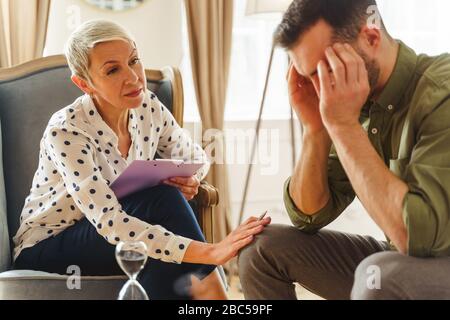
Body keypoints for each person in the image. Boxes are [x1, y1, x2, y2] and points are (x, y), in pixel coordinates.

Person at [12, 20, 271, 300]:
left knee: (163, 245)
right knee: (164, 202)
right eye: (113, 70)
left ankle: (210, 295)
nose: (134, 77)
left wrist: (190, 177)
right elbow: (109, 221)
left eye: (134, 61)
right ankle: (215, 295)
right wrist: (210, 252)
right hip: (50, 245)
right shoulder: (66, 130)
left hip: (116, 235)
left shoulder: (146, 104)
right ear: (84, 83)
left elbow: (194, 155)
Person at [239, 0, 450, 300]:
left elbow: (415, 239)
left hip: (436, 259)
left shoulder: (441, 91)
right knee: (260, 249)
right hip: (398, 261)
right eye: (308, 74)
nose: (318, 88)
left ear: (371, 37)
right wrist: (316, 130)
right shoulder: (355, 104)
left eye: (325, 69)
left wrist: (343, 126)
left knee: (379, 276)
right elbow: (309, 215)